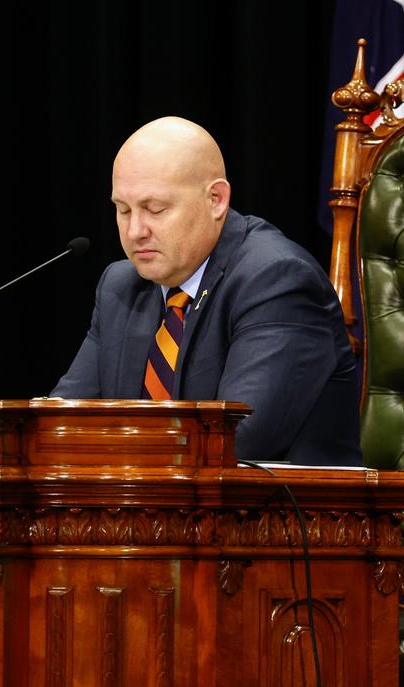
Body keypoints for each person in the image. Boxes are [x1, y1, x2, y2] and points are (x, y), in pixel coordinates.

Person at [51, 116, 360, 465]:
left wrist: (106, 450)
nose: (135, 230)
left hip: (290, 515)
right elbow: (59, 426)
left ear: (216, 199)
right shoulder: (121, 286)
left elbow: (237, 440)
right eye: (123, 210)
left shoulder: (277, 279)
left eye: (155, 209)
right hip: (148, 510)